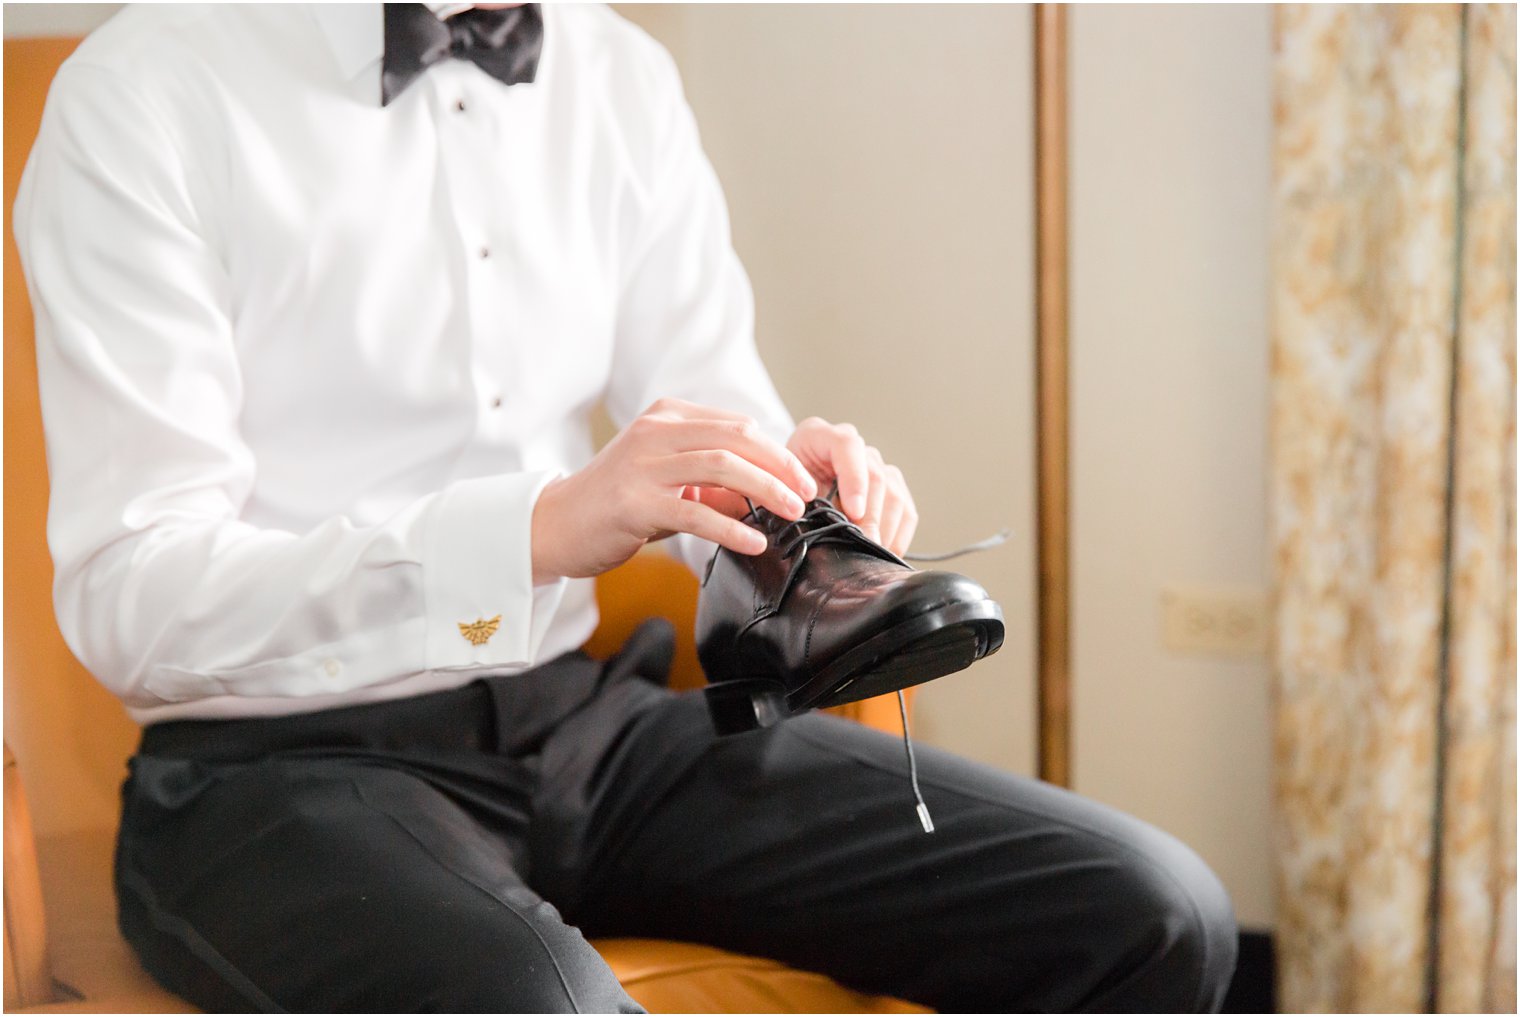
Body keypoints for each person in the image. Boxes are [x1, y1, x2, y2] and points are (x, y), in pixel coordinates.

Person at [15, 3, 1238, 1012]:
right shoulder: (142, 94)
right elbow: (136, 597)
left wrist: (797, 496)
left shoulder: (619, 75)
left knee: (1151, 910)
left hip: (589, 724)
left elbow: (713, 410)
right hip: (264, 774)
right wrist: (532, 529)